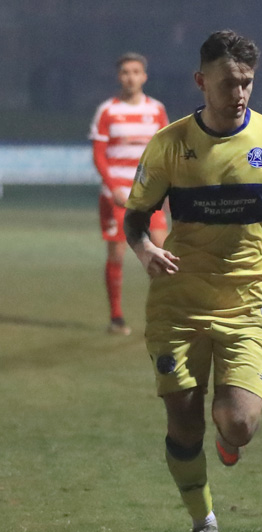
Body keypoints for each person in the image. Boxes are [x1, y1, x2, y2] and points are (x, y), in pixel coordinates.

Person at [123, 30, 262, 532]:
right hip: (177, 301)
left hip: (248, 300)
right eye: (227, 82)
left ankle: (231, 430)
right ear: (201, 81)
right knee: (183, 422)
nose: (239, 93)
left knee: (238, 423)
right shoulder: (170, 144)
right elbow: (133, 218)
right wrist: (145, 248)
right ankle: (204, 523)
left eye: (246, 82)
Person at [89, 52, 169, 335]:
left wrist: (166, 191)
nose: (131, 77)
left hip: (151, 195)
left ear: (144, 76)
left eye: (136, 71)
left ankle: (163, 315)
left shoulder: (156, 110)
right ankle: (116, 317)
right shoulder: (107, 111)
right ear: (119, 77)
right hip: (117, 196)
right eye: (125, 72)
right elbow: (99, 156)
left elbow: (164, 154)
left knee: (162, 254)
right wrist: (114, 189)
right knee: (117, 254)